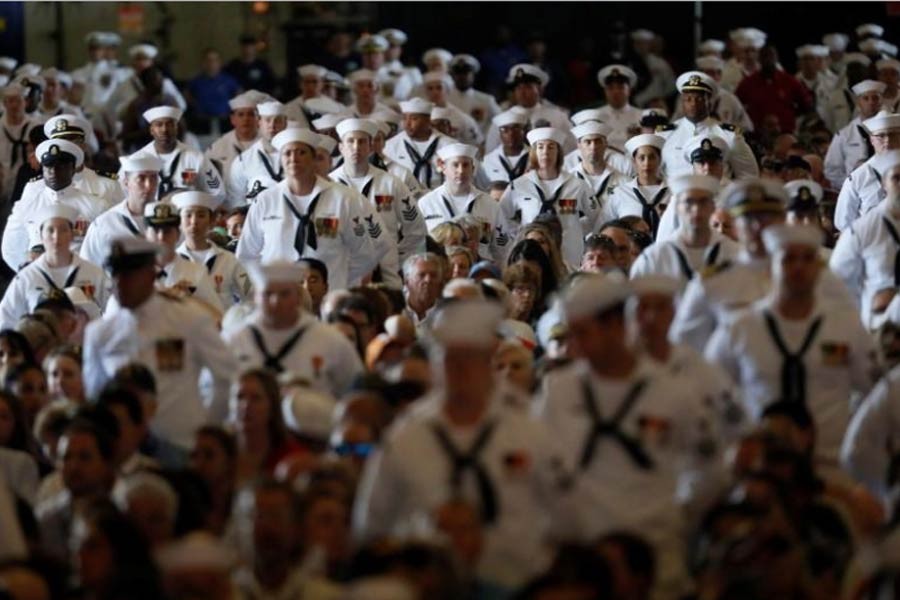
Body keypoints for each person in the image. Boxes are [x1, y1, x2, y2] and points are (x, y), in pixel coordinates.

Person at [535, 274, 720, 598]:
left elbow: (709, 467)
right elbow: (541, 467)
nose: (573, 346)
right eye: (571, 335)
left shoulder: (671, 391)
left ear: (616, 326)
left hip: (655, 552)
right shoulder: (560, 392)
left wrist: (676, 513)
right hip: (584, 558)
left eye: (583, 334)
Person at [354, 299, 559, 590]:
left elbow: (561, 516)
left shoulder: (528, 428)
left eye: (470, 359)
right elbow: (372, 525)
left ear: (488, 360)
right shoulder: (409, 435)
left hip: (518, 584)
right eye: (449, 359)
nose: (460, 371)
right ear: (435, 365)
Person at [82, 236, 236, 459]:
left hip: (182, 446)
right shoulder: (101, 333)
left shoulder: (188, 319)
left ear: (150, 274)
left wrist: (208, 425)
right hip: (124, 452)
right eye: (115, 274)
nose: (119, 283)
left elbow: (227, 376)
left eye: (128, 275)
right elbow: (95, 396)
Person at [673, 179, 853, 351]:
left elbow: (847, 328)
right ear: (736, 225)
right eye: (748, 219)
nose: (758, 227)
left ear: (783, 221)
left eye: (767, 218)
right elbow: (684, 343)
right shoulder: (713, 282)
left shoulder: (816, 274)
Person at [237, 127, 378, 290]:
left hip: (328, 296)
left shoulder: (344, 199)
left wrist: (336, 280)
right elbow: (246, 255)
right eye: (287, 153)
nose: (294, 158)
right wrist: (266, 285)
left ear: (313, 158)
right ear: (281, 160)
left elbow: (364, 253)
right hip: (280, 296)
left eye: (301, 152)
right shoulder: (265, 200)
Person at [223, 260, 363, 399]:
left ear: (298, 297)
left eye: (284, 294)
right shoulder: (235, 339)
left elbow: (355, 391)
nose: (275, 301)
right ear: (256, 298)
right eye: (268, 294)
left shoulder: (331, 340)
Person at [628, 275, 743, 441]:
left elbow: (733, 418)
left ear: (673, 313)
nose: (651, 317)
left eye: (660, 308)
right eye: (643, 308)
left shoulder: (695, 365)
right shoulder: (615, 367)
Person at [330, 117, 425, 288]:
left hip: (386, 268)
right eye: (350, 141)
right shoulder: (329, 185)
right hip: (343, 267)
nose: (356, 147)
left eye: (362, 142)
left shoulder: (391, 183)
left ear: (371, 146)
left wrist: (396, 255)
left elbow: (416, 229)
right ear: (341, 147)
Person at [498, 127, 598, 267]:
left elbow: (597, 216)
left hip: (568, 251)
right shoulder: (519, 185)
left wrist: (577, 229)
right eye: (540, 147)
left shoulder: (577, 184)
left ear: (558, 152)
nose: (545, 152)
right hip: (531, 249)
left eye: (551, 147)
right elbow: (501, 216)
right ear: (534, 152)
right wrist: (521, 231)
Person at [2, 138, 106, 271]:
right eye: (48, 166)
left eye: (61, 166)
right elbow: (11, 248)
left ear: (73, 169)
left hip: (81, 278)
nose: (53, 172)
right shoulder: (26, 205)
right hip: (38, 277)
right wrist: (30, 272)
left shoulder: (96, 205)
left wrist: (87, 275)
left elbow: (104, 247)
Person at [0, 205, 109, 330]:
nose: (56, 237)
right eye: (50, 230)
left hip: (86, 344)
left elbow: (114, 309)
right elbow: (6, 318)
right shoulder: (27, 277)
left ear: (72, 235)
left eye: (63, 230)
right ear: (41, 236)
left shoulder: (93, 272)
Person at [831, 149, 900, 328]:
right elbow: (837, 285)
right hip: (881, 331)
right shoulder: (861, 230)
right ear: (884, 183)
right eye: (896, 178)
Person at [630, 174, 737, 287]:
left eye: (703, 202)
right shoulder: (654, 258)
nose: (696, 209)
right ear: (677, 208)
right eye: (688, 202)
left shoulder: (734, 254)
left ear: (712, 207)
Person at [36, 417, 116, 562]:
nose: (73, 467)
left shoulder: (122, 512)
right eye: (66, 458)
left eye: (84, 457)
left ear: (106, 463)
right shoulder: (45, 520)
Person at [658, 70, 758, 180]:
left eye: (700, 99)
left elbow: (748, 175)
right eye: (688, 99)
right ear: (682, 102)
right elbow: (656, 175)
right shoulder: (666, 134)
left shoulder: (728, 135)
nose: (693, 103)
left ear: (710, 102)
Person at [419, 143, 507, 262]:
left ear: (473, 169)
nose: (461, 171)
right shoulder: (427, 203)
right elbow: (418, 244)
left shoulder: (489, 204)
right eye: (455, 165)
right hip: (440, 267)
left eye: (466, 165)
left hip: (477, 267)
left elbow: (501, 247)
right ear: (443, 167)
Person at [79, 153, 161, 266]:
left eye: (153, 178)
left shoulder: (169, 219)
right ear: (126, 182)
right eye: (141, 178)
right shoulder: (105, 224)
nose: (149, 185)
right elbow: (87, 266)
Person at [172, 191, 251, 309]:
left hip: (223, 325)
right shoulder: (172, 262)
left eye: (201, 215)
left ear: (212, 221)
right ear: (179, 221)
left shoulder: (229, 260)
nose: (194, 222)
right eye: (188, 215)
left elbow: (250, 292)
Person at [129, 105, 224, 201]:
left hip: (187, 213)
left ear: (176, 128)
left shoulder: (195, 157)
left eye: (169, 124)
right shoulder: (137, 159)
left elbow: (217, 191)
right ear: (151, 130)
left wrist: (198, 205)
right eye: (159, 125)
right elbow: (120, 190)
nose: (164, 130)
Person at [142, 202, 223, 313]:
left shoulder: (196, 272)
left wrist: (190, 302)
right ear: (145, 234)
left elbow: (216, 315)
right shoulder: (133, 274)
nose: (161, 237)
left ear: (178, 234)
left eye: (167, 231)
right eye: (156, 231)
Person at [32, 114, 122, 208]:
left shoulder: (108, 185)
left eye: (72, 143)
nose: (66, 149)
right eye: (60, 144)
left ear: (83, 146)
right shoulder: (35, 187)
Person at [834, 110, 900, 232]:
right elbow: (843, 222)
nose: (887, 141)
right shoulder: (858, 177)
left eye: (893, 135)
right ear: (871, 140)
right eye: (881, 136)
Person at [484, 64, 573, 154]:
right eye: (518, 88)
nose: (522, 92)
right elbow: (491, 152)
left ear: (540, 90)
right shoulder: (501, 120)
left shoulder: (557, 116)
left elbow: (571, 147)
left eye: (528, 87)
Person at [736, 45, 814, 134]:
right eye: (764, 56)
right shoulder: (748, 82)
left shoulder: (789, 81)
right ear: (759, 59)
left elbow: (806, 105)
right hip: (757, 133)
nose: (768, 59)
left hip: (785, 132)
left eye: (771, 56)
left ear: (776, 58)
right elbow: (736, 104)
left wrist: (790, 114)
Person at [383, 97, 455, 191]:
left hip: (438, 198)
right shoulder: (390, 146)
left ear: (427, 121)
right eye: (405, 118)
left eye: (414, 119)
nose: (407, 123)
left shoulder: (448, 145)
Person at [226, 100, 288, 207]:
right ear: (259, 122)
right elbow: (236, 199)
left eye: (277, 120)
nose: (272, 126)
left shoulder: (298, 156)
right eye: (267, 120)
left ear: (285, 123)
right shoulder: (243, 161)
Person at [824, 80, 884, 190]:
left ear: (881, 101)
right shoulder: (844, 135)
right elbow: (831, 170)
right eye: (866, 98)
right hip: (855, 190)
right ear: (858, 102)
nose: (871, 102)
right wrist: (850, 185)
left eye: (875, 98)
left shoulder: (891, 130)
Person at [607, 134, 669, 238]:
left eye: (652, 157)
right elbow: (606, 226)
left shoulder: (673, 192)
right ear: (634, 161)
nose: (647, 163)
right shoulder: (620, 193)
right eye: (641, 158)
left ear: (659, 160)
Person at [204, 91, 263, 184]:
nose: (246, 119)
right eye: (241, 114)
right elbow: (206, 177)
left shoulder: (268, 144)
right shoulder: (217, 147)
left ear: (259, 119)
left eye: (251, 114)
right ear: (232, 119)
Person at [569, 122, 627, 214]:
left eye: (598, 141)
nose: (593, 147)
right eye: (588, 142)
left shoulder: (624, 182)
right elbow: (566, 217)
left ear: (606, 144)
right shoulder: (568, 181)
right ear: (579, 145)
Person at [186, 48, 240, 137]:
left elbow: (239, 94)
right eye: (208, 60)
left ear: (220, 62)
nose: (211, 63)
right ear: (203, 63)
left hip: (225, 123)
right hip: (202, 124)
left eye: (215, 60)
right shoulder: (196, 81)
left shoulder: (228, 80)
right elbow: (186, 96)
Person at [0, 83, 38, 199]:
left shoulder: (35, 127)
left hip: (28, 181)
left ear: (26, 102)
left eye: (18, 101)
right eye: (10, 101)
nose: (14, 105)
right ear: (4, 104)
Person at [447, 54, 501, 132]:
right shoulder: (445, 99)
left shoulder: (486, 100)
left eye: (466, 72)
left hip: (479, 142)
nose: (462, 76)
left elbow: (500, 122)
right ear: (452, 75)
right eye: (458, 72)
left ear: (473, 75)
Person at [595, 64, 642, 151]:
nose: (615, 92)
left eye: (621, 88)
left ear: (629, 90)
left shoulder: (641, 116)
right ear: (605, 91)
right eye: (610, 88)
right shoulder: (595, 116)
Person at [481, 110, 529, 185]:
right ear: (500, 134)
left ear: (523, 132)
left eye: (516, 129)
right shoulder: (489, 160)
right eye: (505, 130)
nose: (511, 134)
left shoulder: (535, 157)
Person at [401, 253, 444, 331]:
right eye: (421, 275)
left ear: (440, 281)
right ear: (407, 281)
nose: (428, 280)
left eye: (433, 275)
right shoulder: (395, 309)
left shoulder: (447, 313)